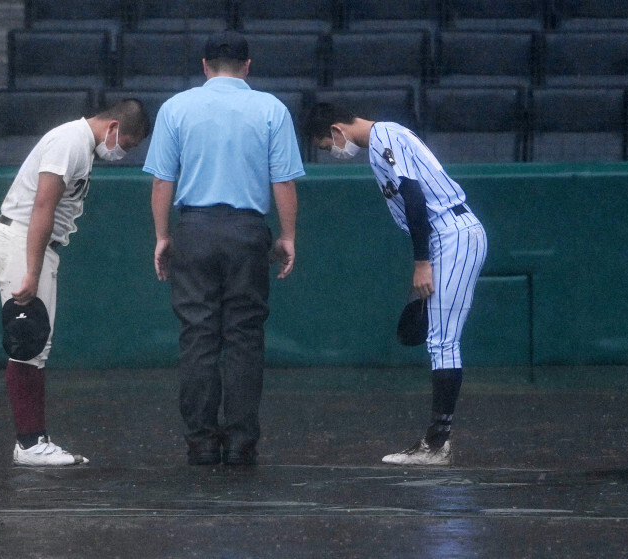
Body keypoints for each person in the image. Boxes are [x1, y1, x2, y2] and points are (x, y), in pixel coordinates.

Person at [143, 30, 305, 466]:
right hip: (247, 231)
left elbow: (163, 181)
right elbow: (283, 181)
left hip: (193, 229)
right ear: (248, 66)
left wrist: (163, 236)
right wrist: (287, 235)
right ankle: (240, 442)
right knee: (244, 338)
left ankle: (200, 441)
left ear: (205, 65)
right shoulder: (272, 109)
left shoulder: (176, 108)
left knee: (197, 336)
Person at [305, 103, 488, 466]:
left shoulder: (385, 135)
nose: (334, 152)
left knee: (442, 340)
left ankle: (436, 446)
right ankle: (436, 442)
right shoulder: (379, 143)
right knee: (440, 339)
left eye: (328, 144)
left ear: (337, 128)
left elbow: (416, 199)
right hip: (445, 236)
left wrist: (422, 263)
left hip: (453, 233)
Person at [0, 99, 151, 466]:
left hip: (32, 244)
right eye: (127, 144)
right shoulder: (70, 141)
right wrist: (32, 269)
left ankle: (34, 439)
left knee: (35, 345)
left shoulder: (80, 146)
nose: (122, 152)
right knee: (27, 342)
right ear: (113, 128)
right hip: (22, 241)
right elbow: (43, 205)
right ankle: (30, 444)